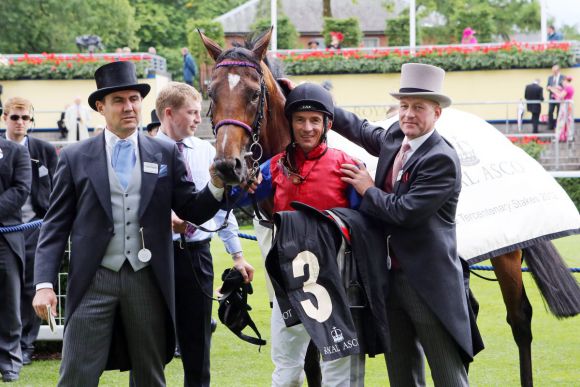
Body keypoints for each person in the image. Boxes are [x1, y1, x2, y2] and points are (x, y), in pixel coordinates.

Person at [32, 61, 226, 386]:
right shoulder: (75, 156)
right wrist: (44, 284)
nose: (129, 107)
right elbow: (54, 226)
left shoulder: (163, 153)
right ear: (100, 106)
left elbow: (192, 208)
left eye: (134, 99)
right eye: (119, 100)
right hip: (94, 279)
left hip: (146, 279)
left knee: (150, 374)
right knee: (76, 374)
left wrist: (218, 185)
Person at [337, 63, 483, 386]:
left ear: (437, 112)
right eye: (404, 106)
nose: (408, 114)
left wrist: (367, 189)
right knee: (402, 378)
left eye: (418, 107)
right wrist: (320, 103)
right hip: (389, 282)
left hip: (428, 286)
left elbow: (404, 212)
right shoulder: (394, 137)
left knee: (449, 378)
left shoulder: (440, 159)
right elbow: (361, 129)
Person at [236, 83, 361, 386]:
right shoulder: (274, 168)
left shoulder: (346, 165)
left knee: (338, 367)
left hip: (336, 280)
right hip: (289, 282)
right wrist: (239, 182)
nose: (307, 128)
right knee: (287, 369)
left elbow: (365, 223)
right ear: (289, 123)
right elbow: (234, 199)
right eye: (300, 120)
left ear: (327, 124)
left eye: (315, 120)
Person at [154, 81, 254, 387]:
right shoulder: (144, 149)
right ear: (169, 114)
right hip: (155, 258)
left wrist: (237, 256)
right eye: (192, 112)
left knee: (198, 341)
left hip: (197, 256)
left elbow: (222, 210)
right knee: (150, 342)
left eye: (200, 112)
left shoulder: (207, 152)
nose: (200, 119)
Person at [2, 97, 58, 367]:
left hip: (36, 225)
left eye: (26, 118)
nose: (21, 123)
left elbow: (58, 187)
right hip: (5, 228)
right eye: (15, 117)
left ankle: (26, 345)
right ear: (5, 119)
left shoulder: (43, 149)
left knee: (30, 288)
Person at [0, 131, 31, 382]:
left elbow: (21, 190)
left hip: (5, 238)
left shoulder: (15, 151)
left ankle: (9, 360)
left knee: (9, 300)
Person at [549, 76, 575, 142]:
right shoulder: (570, 87)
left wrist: (553, 91)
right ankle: (569, 136)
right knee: (568, 121)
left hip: (565, 106)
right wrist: (557, 89)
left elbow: (561, 96)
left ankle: (558, 137)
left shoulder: (567, 88)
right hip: (568, 105)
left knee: (561, 121)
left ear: (565, 81)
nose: (562, 83)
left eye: (562, 82)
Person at [547, 65, 565, 130]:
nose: (553, 72)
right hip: (552, 97)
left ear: (558, 70)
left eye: (554, 71)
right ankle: (550, 126)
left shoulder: (563, 77)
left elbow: (564, 87)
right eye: (552, 71)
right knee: (550, 111)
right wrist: (548, 88)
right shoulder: (550, 77)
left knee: (559, 112)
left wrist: (558, 89)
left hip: (560, 97)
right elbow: (547, 86)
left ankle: (558, 126)